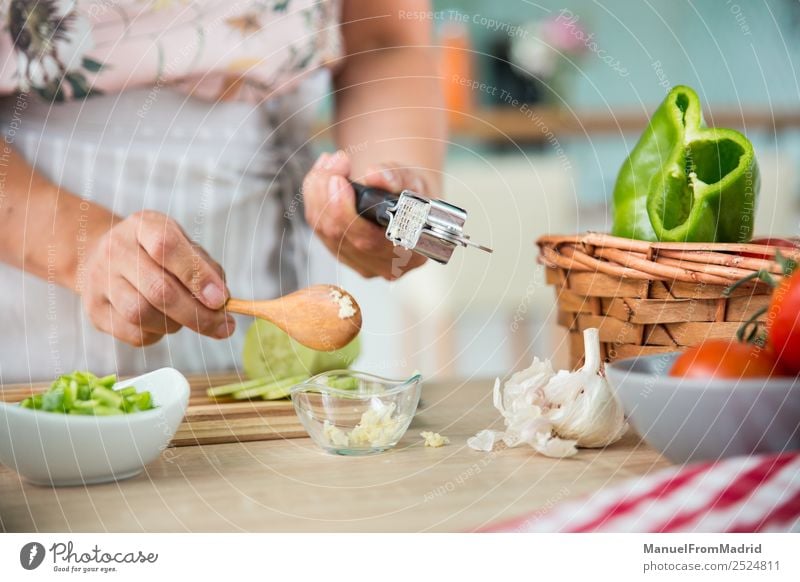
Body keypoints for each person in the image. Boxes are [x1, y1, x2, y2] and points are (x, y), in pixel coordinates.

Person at [0, 0, 445, 382]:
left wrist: (390, 178)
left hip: (260, 227)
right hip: (28, 262)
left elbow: (383, 41)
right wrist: (82, 246)